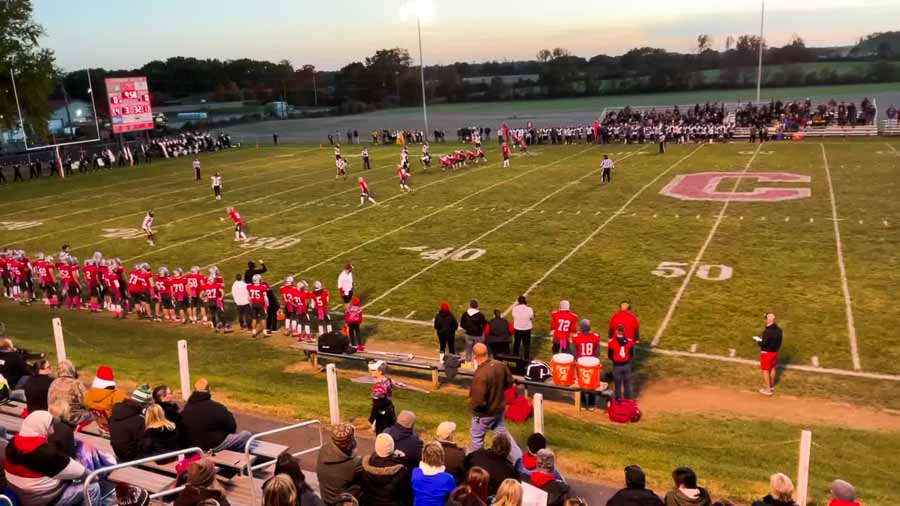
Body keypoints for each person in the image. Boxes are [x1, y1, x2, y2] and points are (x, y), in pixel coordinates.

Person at [5, 411, 100, 506]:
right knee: (92, 486)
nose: (53, 429)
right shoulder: (45, 453)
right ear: (41, 427)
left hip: (17, 494)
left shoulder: (13, 443)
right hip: (40, 500)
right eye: (50, 425)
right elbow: (83, 473)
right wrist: (96, 476)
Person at [180, 378, 252, 452]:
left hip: (195, 445)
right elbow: (232, 426)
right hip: (213, 446)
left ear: (194, 390)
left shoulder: (187, 407)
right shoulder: (217, 407)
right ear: (209, 389)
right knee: (246, 434)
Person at [469, 343, 515, 452]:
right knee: (503, 438)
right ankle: (515, 459)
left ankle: (479, 462)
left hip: (485, 414)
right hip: (498, 410)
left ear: (474, 356)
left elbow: (478, 401)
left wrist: (476, 410)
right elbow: (510, 383)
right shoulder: (500, 365)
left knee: (476, 438)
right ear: (487, 353)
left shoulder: (481, 375)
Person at [316, 422, 363, 504]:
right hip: (342, 503)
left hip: (326, 500)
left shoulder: (323, 450)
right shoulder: (355, 463)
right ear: (351, 442)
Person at [361, 433, 413, 506]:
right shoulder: (401, 471)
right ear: (392, 448)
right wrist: (403, 459)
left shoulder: (366, 467)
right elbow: (406, 496)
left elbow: (364, 489)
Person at [110, 384, 152, 462]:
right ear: (143, 404)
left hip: (119, 452)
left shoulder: (116, 411)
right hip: (132, 457)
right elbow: (146, 443)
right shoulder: (138, 420)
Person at [83, 365, 128, 431]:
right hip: (113, 426)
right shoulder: (118, 395)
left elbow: (86, 406)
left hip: (99, 422)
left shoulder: (88, 395)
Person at [411, 441, 456, 506]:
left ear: (423, 456)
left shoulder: (415, 473)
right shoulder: (447, 479)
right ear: (441, 457)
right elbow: (453, 497)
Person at [47, 360, 88, 426]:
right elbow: (86, 401)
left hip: (55, 416)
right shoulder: (77, 383)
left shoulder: (54, 383)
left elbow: (49, 401)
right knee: (93, 415)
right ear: (71, 370)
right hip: (72, 418)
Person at [573, 320, 601, 410]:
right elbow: (597, 352)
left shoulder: (576, 337)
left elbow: (574, 352)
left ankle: (583, 403)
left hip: (581, 364)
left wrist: (577, 361)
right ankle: (592, 404)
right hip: (592, 364)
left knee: (582, 383)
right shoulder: (595, 337)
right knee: (592, 383)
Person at [754, 312, 783, 396]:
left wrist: (758, 340)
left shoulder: (767, 331)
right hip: (775, 352)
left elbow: (763, 344)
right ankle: (771, 386)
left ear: (769, 319)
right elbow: (780, 341)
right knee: (773, 368)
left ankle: (768, 390)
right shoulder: (779, 330)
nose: (765, 320)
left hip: (766, 353)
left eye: (766, 318)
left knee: (765, 370)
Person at [608, 325, 636, 402]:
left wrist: (616, 359)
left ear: (616, 331)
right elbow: (631, 355)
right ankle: (628, 402)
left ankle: (618, 402)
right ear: (624, 332)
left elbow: (610, 356)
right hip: (626, 365)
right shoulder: (630, 341)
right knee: (627, 385)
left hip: (617, 366)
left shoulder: (611, 342)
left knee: (617, 385)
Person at [368, 360, 396, 434]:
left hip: (382, 416)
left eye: (374, 370)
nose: (371, 372)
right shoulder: (388, 380)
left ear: (380, 372)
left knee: (382, 438)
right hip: (390, 412)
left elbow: (376, 405)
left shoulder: (378, 387)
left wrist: (371, 419)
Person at [460, 299, 487, 366]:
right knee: (477, 350)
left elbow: (462, 324)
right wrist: (480, 330)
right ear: (477, 306)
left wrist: (467, 328)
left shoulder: (465, 314)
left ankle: (468, 364)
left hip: (468, 334)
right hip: (478, 335)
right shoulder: (481, 315)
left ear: (470, 305)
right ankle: (476, 365)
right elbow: (484, 325)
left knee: (468, 350)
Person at [511, 295, 534, 361]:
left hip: (517, 328)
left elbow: (514, 316)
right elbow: (531, 317)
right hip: (527, 329)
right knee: (526, 345)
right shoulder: (529, 309)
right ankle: (526, 358)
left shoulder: (514, 308)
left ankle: (515, 357)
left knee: (516, 343)